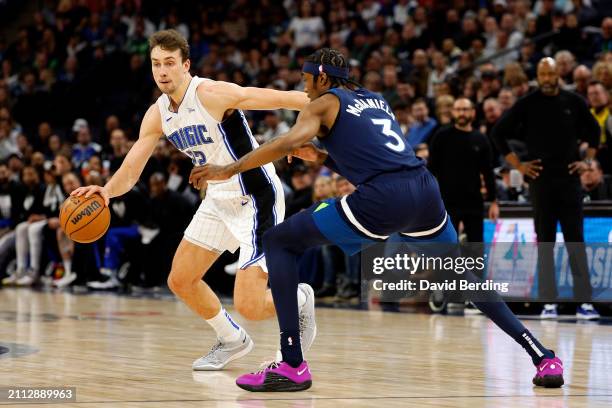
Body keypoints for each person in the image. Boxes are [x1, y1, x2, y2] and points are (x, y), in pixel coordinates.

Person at [190, 48, 564, 392]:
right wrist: (322, 157)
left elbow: (287, 142)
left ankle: (291, 364)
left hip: (385, 197)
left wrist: (228, 168)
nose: (303, 88)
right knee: (466, 277)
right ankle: (543, 356)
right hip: (424, 189)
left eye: (306, 80)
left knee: (279, 241)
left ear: (322, 78)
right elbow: (377, 156)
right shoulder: (375, 100)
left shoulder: (323, 104)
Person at [72, 29, 316, 371]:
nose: (162, 71)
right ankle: (232, 339)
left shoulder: (211, 93)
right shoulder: (158, 113)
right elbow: (133, 167)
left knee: (250, 305)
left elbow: (281, 98)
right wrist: (106, 191)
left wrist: (337, 106)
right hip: (217, 198)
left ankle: (300, 297)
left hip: (255, 197)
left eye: (170, 63)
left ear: (186, 65)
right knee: (181, 279)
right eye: (156, 63)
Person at [492, 58, 601, 320]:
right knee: (546, 243)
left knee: (576, 240)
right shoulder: (527, 103)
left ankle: (583, 303)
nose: (548, 78)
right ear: (538, 76)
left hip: (570, 181)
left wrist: (587, 161)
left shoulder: (573, 101)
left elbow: (595, 130)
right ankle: (548, 302)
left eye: (551, 73)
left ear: (557, 75)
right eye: (543, 73)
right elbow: (498, 133)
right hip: (540, 182)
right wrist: (519, 165)